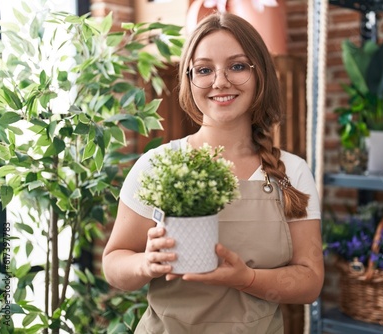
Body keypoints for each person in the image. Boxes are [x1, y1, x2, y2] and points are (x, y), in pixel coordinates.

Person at [102, 12, 324, 334]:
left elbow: (309, 281)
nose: (220, 81)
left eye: (237, 66)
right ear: (190, 79)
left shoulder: (292, 171)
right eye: (204, 70)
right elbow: (114, 264)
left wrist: (246, 279)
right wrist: (145, 263)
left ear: (259, 73)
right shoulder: (157, 165)